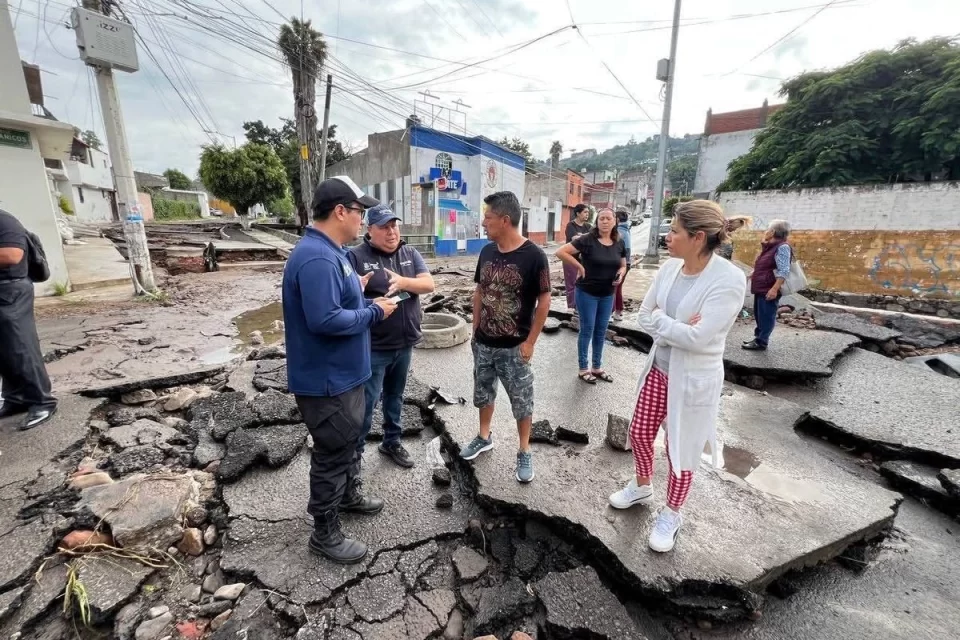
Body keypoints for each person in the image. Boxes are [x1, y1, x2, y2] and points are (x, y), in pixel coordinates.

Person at [608, 200, 746, 553]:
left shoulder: (727, 280)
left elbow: (700, 339)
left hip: (694, 379)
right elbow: (643, 314)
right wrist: (677, 327)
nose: (666, 237)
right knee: (639, 433)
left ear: (698, 237)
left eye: (674, 231)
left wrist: (666, 324)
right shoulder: (670, 269)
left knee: (679, 450)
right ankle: (642, 485)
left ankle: (672, 513)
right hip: (659, 368)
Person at [283, 176, 398, 565]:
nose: (362, 220)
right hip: (327, 382)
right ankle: (324, 532)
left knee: (348, 442)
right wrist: (373, 311)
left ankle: (347, 496)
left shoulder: (331, 253)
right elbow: (325, 319)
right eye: (359, 212)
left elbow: (335, 298)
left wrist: (358, 286)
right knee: (332, 452)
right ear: (340, 212)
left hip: (344, 376)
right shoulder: (317, 257)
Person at [459, 191, 551, 484]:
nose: (484, 223)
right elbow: (480, 291)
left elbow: (545, 299)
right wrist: (475, 330)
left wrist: (531, 342)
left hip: (515, 347)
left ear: (505, 220)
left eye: (488, 217)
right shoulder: (487, 252)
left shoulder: (534, 256)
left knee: (522, 401)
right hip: (484, 343)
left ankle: (524, 450)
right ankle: (484, 436)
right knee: (483, 393)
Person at [348, 204, 435, 469]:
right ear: (369, 229)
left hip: (405, 343)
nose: (391, 232)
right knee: (367, 402)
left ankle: (391, 441)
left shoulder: (409, 252)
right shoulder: (356, 257)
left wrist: (403, 282)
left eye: (394, 225)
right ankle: (355, 456)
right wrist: (371, 302)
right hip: (374, 346)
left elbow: (428, 284)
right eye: (384, 227)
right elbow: (346, 299)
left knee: (395, 396)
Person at [0, 208, 57, 430]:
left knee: (20, 347)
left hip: (9, 291)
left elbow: (12, 254)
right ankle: (16, 399)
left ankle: (42, 401)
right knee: (4, 351)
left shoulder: (4, 220)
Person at [555, 208, 626, 384]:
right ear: (597, 221)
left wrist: (621, 272)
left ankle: (597, 367)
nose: (605, 221)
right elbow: (561, 252)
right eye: (601, 218)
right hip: (587, 293)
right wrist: (579, 266)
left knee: (601, 331)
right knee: (587, 330)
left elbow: (623, 264)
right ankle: (583, 368)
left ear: (614, 221)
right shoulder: (587, 240)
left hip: (607, 294)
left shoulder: (619, 242)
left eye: (608, 218)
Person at [743, 220, 792, 351]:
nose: (766, 232)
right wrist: (753, 273)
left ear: (773, 232)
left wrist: (774, 289)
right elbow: (767, 265)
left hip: (769, 288)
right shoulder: (770, 247)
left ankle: (762, 342)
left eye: (768, 229)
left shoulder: (782, 247)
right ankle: (758, 338)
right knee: (760, 315)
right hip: (761, 286)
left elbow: (784, 270)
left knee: (766, 316)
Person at [562, 204, 591, 313]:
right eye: (585, 212)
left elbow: (593, 238)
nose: (587, 214)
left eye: (588, 212)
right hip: (569, 257)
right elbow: (574, 238)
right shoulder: (571, 225)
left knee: (582, 283)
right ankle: (571, 306)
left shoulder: (588, 226)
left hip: (583, 259)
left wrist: (581, 236)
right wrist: (585, 237)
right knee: (571, 282)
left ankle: (579, 306)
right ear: (578, 213)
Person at [612, 209, 632, 321]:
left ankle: (613, 311)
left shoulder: (619, 232)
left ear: (617, 219)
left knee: (613, 288)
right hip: (626, 264)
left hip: (620, 264)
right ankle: (618, 311)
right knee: (618, 288)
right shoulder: (626, 230)